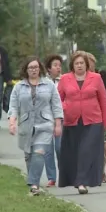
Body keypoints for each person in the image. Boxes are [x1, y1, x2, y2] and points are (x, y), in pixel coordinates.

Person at [7, 57, 63, 196]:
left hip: (45, 124)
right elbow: (13, 107)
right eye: (31, 67)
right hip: (26, 125)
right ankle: (34, 182)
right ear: (26, 70)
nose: (33, 70)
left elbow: (56, 105)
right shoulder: (19, 87)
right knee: (29, 156)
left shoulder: (49, 85)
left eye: (36, 67)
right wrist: (12, 122)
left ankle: (33, 185)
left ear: (40, 69)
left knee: (39, 153)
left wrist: (57, 124)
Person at [57, 51, 106, 194]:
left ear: (86, 65)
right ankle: (76, 179)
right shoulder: (65, 79)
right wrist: (63, 108)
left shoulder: (96, 78)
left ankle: (82, 182)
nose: (79, 66)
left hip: (93, 120)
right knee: (75, 152)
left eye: (81, 63)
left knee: (87, 151)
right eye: (76, 63)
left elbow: (103, 101)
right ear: (72, 65)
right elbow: (57, 99)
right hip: (71, 121)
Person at [86, 52, 106, 183]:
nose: (90, 65)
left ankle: (101, 169)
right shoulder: (80, 78)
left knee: (105, 147)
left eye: (92, 62)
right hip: (88, 117)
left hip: (104, 116)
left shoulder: (101, 75)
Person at [43, 54, 63, 187]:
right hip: (45, 119)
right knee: (47, 149)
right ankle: (51, 177)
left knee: (60, 147)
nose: (58, 68)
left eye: (60, 65)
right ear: (49, 69)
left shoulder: (65, 80)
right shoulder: (43, 82)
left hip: (61, 118)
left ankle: (65, 174)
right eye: (55, 65)